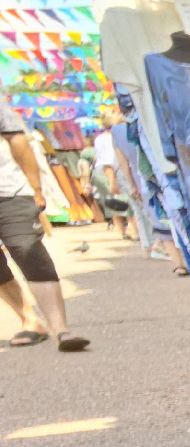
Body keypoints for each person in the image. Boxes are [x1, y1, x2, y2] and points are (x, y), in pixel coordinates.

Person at [0, 103, 86, 351]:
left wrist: (36, 188)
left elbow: (18, 140)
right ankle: (30, 321)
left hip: (8, 191)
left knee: (28, 250)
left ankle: (61, 329)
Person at [89, 127, 131, 241]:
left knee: (114, 202)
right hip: (112, 170)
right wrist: (112, 181)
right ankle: (134, 231)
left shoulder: (99, 138)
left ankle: (122, 231)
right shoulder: (113, 137)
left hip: (100, 171)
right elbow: (108, 162)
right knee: (126, 201)